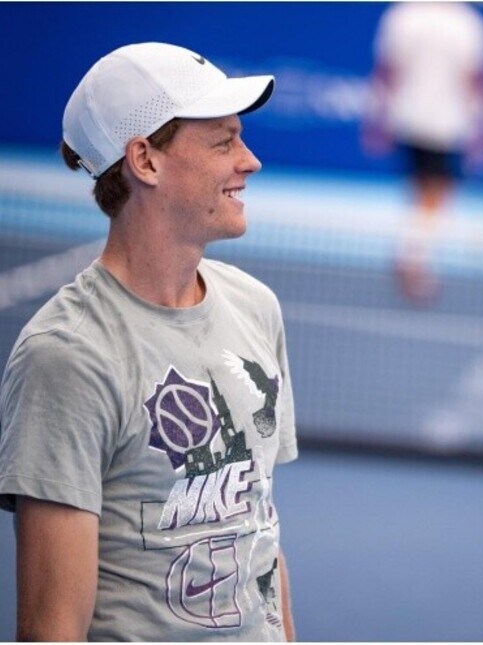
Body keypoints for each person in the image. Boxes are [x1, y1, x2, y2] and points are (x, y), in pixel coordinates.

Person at [0, 42, 297, 640]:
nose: (250, 161)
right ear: (146, 160)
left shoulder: (256, 308)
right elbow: (51, 624)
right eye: (223, 142)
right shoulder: (68, 357)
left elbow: (260, 537)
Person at [361, 1, 483, 303]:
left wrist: (377, 120)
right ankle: (413, 259)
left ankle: (413, 255)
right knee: (436, 195)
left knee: (421, 192)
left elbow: (386, 73)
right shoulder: (469, 23)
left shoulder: (402, 15)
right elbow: (477, 82)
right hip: (447, 127)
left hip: (407, 120)